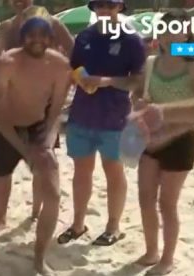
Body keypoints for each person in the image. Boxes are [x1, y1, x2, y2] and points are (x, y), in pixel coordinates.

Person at [0, 15, 72, 276]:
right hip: (4, 129)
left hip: (37, 128)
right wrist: (23, 150)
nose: (37, 40)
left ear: (50, 39)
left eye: (43, 35)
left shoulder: (60, 65)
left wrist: (46, 143)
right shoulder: (8, 62)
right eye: (31, 35)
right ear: (22, 38)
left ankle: (40, 257)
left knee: (53, 194)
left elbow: (56, 110)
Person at [58, 0, 145, 247]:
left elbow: (138, 80)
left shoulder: (131, 39)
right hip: (82, 114)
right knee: (81, 172)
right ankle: (78, 224)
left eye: (110, 5)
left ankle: (113, 227)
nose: (104, 10)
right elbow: (74, 68)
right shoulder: (84, 37)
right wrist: (80, 78)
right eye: (99, 6)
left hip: (114, 117)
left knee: (113, 172)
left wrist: (106, 81)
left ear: (120, 8)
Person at [130, 11, 194, 275]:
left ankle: (167, 259)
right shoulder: (151, 62)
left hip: (180, 140)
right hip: (150, 138)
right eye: (166, 30)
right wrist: (139, 105)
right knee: (145, 198)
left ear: (187, 35)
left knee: (167, 203)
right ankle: (151, 251)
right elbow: (136, 94)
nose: (170, 35)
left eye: (177, 30)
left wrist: (170, 133)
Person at [0, 2, 74, 221]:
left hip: (43, 107)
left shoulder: (53, 22)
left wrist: (61, 75)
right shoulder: (6, 28)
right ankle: (0, 216)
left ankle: (36, 212)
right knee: (2, 172)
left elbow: (75, 54)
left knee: (42, 163)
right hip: (12, 105)